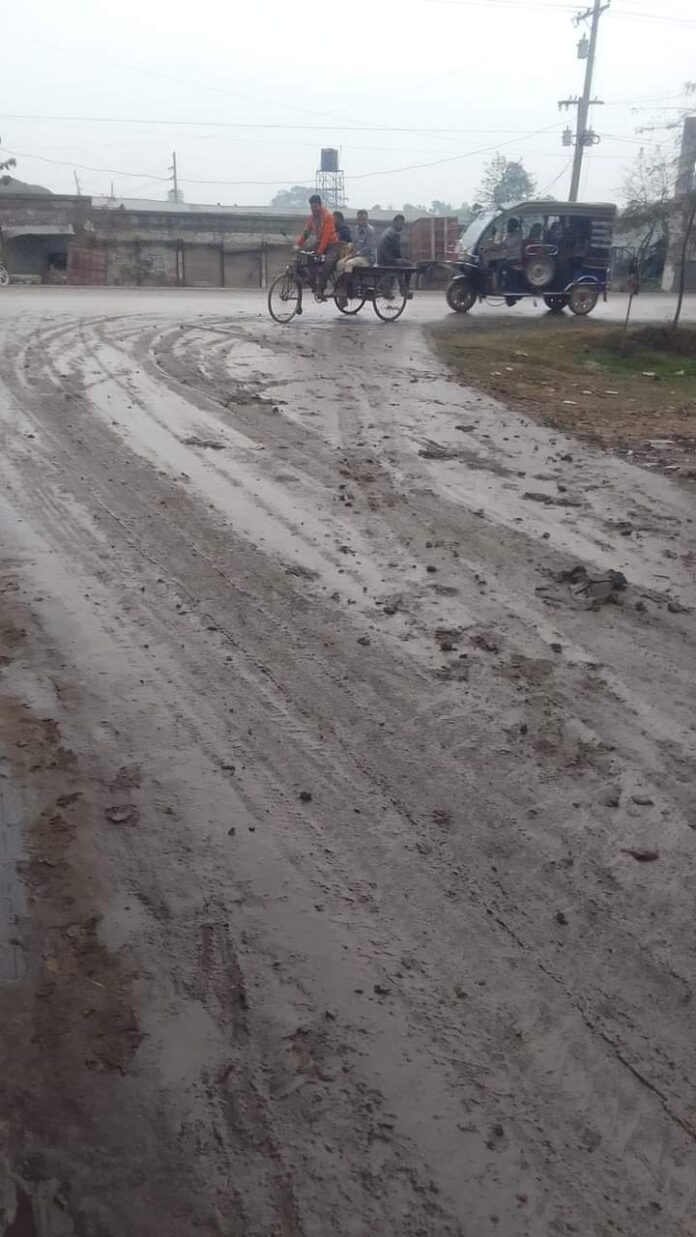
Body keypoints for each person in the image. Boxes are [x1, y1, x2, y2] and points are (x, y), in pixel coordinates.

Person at [295, 194, 340, 297]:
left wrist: (320, 250)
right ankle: (312, 279)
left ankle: (321, 287)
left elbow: (326, 236)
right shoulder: (311, 218)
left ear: (320, 205)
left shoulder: (327, 216)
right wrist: (298, 244)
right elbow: (306, 232)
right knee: (306, 254)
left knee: (328, 263)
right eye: (312, 208)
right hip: (319, 242)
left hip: (332, 244)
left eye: (315, 207)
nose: (314, 210)